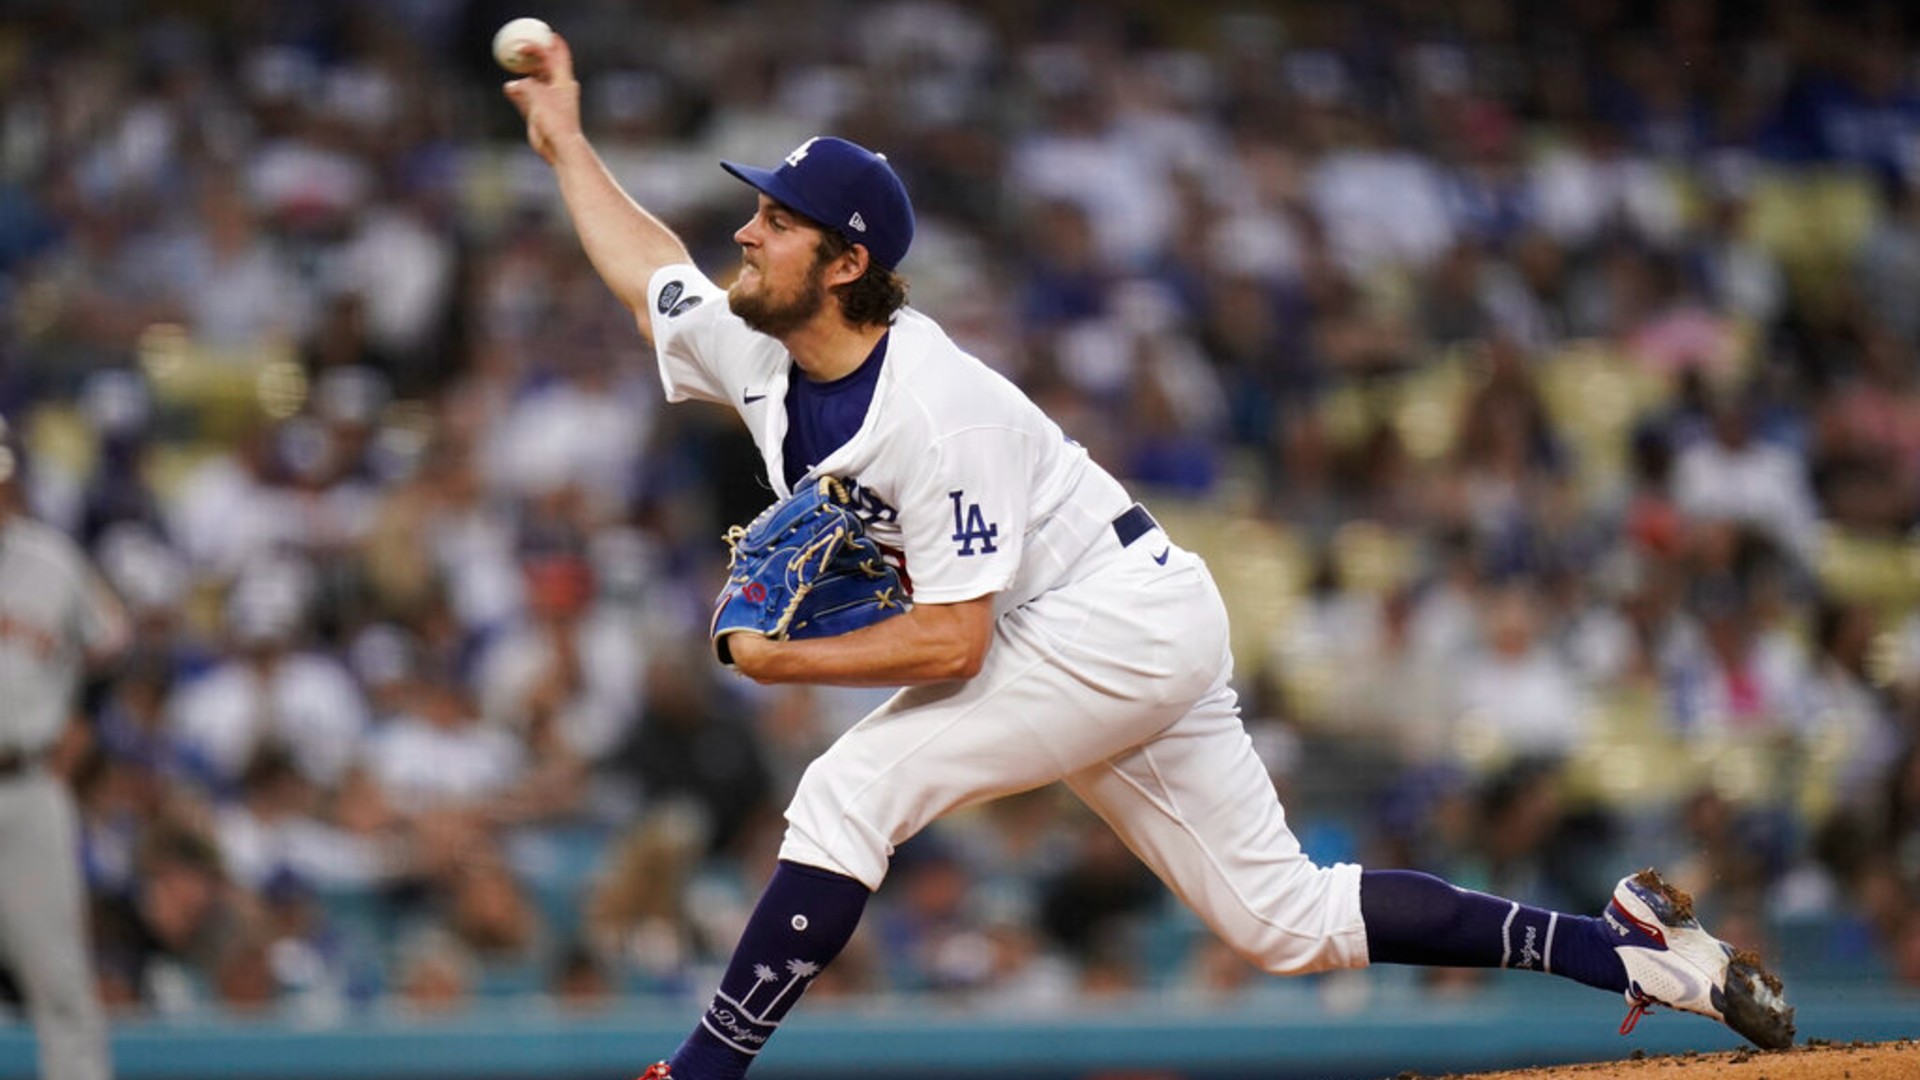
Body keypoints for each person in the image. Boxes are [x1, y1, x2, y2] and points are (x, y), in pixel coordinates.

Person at [501, 35, 1795, 1079]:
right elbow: (649, 273)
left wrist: (784, 658)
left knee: (853, 789)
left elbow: (953, 645)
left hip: (1105, 622)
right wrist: (566, 144)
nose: (746, 232)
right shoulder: (763, 345)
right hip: (1101, 620)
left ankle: (703, 1069)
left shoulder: (932, 407)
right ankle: (1631, 953)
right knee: (1280, 922)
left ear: (848, 263)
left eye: (776, 221)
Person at [0, 417, 128, 1080]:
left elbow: (112, 649)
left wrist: (81, 723)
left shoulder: (51, 561)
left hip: (27, 783)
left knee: (62, 985)